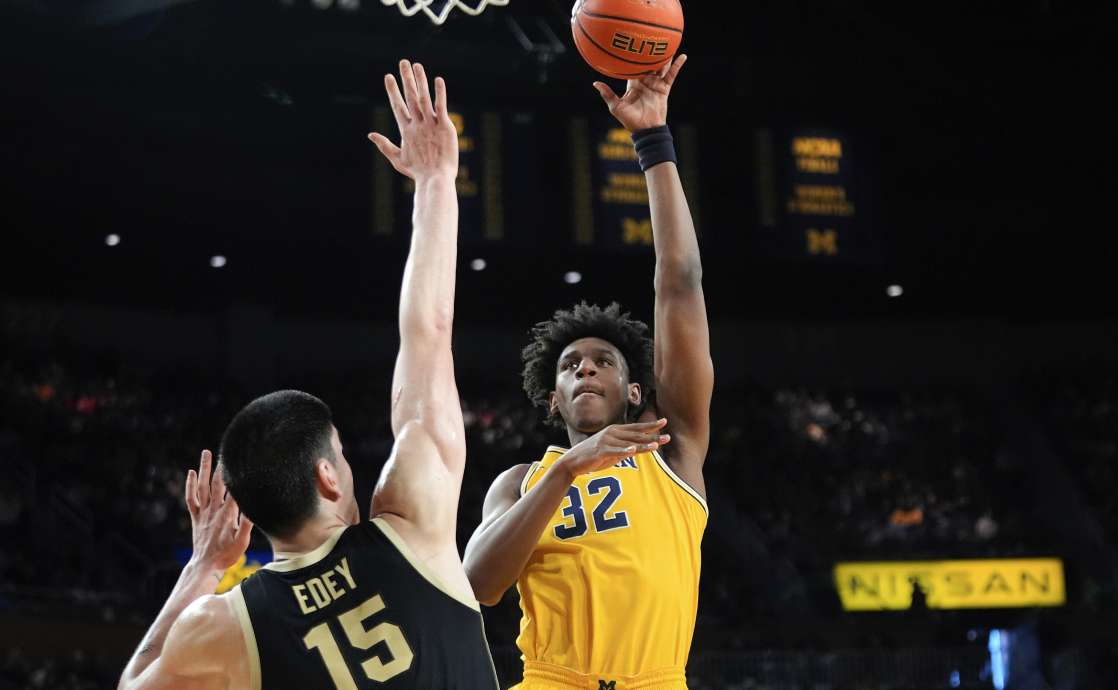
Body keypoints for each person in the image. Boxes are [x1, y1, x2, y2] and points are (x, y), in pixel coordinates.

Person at [117, 59, 499, 690]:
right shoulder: (412, 526)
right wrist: (435, 181)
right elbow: (429, 332)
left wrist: (206, 565)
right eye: (342, 455)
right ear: (326, 476)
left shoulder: (223, 626)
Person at [464, 55, 712, 690]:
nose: (585, 370)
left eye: (603, 361)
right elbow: (479, 584)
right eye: (571, 366)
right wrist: (570, 467)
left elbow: (679, 283)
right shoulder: (522, 481)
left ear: (634, 390)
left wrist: (652, 139)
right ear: (555, 401)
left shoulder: (673, 453)